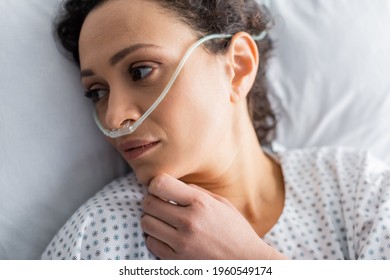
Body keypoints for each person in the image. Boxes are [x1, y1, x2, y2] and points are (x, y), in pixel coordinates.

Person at [42, 0, 390, 260]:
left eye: (141, 71)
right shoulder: (98, 236)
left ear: (238, 67)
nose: (114, 118)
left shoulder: (356, 186)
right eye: (97, 93)